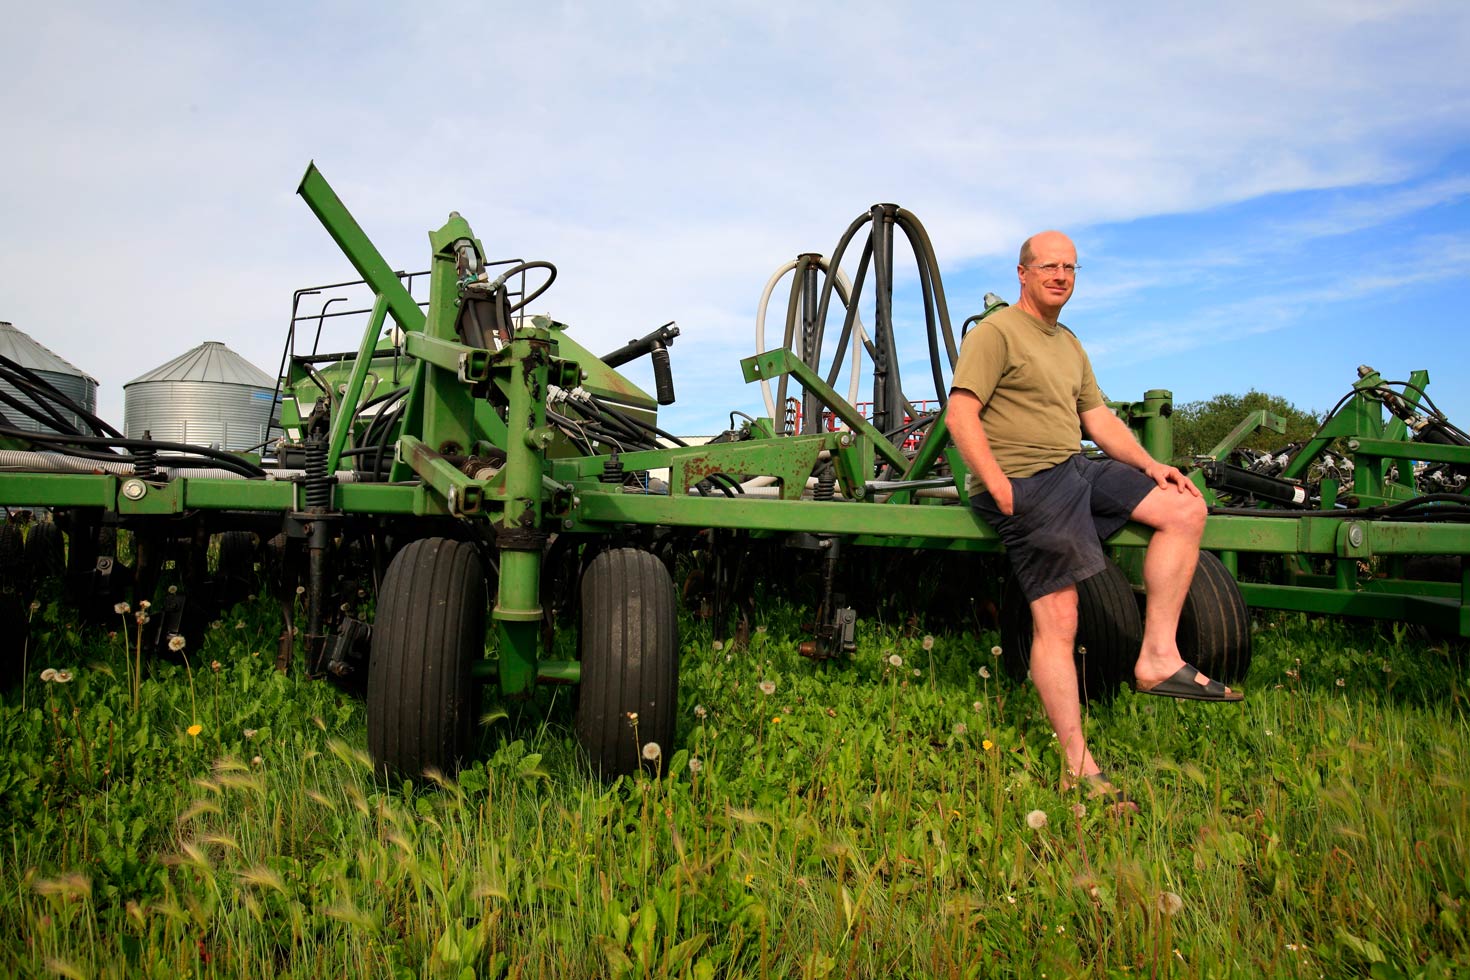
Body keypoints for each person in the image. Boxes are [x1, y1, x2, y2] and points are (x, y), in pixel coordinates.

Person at [947, 230, 1241, 806]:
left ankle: (1158, 656)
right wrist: (1002, 487)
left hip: (1073, 467)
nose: (1061, 276)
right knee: (1060, 616)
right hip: (1027, 480)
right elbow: (961, 414)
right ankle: (1077, 765)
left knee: (1185, 506)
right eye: (1050, 267)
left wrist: (1153, 464)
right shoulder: (995, 333)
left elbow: (1097, 417)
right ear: (1023, 274)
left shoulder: (1068, 342)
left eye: (1071, 269)